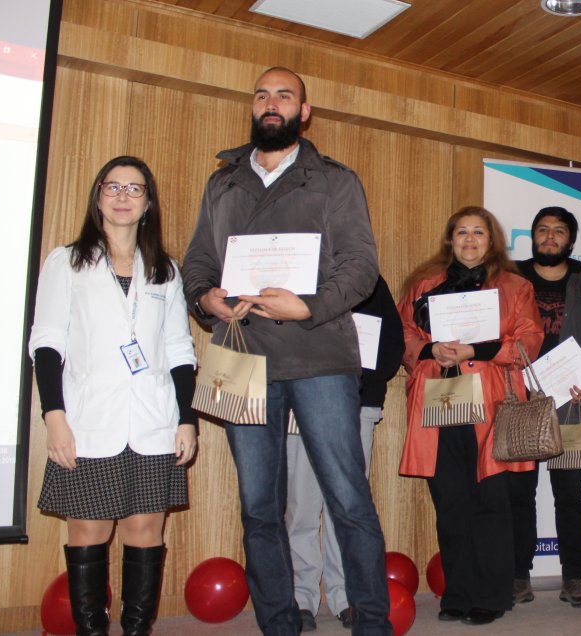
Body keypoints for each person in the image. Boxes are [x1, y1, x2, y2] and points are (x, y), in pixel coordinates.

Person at [181, 67, 391, 636]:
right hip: (244, 358)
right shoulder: (222, 183)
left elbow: (361, 267)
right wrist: (206, 298)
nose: (271, 103)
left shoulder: (335, 180)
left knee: (348, 497)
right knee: (258, 506)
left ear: (304, 111)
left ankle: (373, 623)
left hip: (319, 356)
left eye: (284, 95)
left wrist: (309, 305)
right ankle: (278, 623)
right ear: (253, 107)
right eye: (262, 95)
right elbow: (198, 260)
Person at [29, 156, 197, 636]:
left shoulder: (165, 270)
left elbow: (179, 350)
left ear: (148, 203)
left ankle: (137, 630)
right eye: (113, 186)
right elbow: (47, 344)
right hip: (88, 422)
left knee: (145, 531)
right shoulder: (67, 262)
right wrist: (54, 417)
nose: (123, 196)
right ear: (98, 196)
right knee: (89, 531)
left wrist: (187, 419)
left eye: (134, 188)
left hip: (153, 422)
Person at [398, 206, 544, 627]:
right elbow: (402, 333)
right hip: (439, 401)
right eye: (461, 232)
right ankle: (458, 593)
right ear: (450, 239)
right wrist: (431, 349)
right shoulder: (423, 284)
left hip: (491, 406)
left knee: (491, 501)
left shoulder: (515, 286)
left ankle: (493, 594)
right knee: (450, 502)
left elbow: (529, 342)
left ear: (491, 240)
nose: (469, 239)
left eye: (478, 232)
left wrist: (475, 350)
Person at [285, 275, 405, 632]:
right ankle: (301, 597)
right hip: (300, 405)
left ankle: (346, 597)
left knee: (349, 509)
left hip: (356, 406)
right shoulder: (295, 273)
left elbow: (392, 344)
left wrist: (360, 378)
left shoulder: (367, 278)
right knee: (301, 507)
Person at [509, 206, 581, 607]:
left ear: (571, 240)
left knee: (570, 493)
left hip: (572, 399)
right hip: (521, 397)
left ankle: (576, 576)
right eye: (542, 230)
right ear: (532, 236)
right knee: (519, 491)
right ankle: (517, 575)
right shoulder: (510, 277)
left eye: (559, 231)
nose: (550, 236)